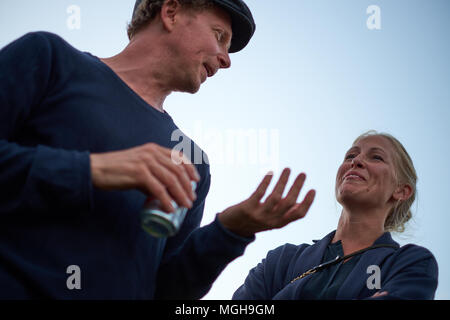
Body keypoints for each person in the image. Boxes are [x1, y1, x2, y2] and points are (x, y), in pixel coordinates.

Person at [0, 0, 316, 299]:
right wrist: (94, 170)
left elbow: (165, 291)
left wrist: (230, 231)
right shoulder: (50, 59)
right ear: (171, 11)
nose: (226, 58)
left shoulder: (193, 161)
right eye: (219, 36)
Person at [233, 131, 439, 300]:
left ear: (401, 191)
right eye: (350, 156)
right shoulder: (280, 261)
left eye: (376, 157)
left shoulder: (411, 263)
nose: (356, 161)